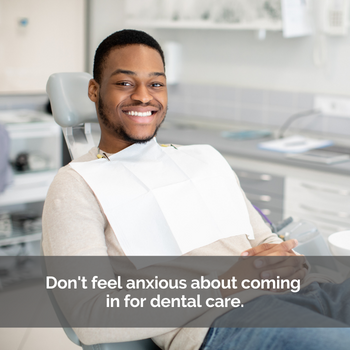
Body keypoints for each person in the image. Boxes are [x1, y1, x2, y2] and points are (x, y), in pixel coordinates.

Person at [42, 29, 350, 350]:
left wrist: (289, 260)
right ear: (94, 90)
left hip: (306, 292)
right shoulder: (77, 183)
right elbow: (90, 318)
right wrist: (227, 285)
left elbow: (267, 242)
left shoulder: (203, 158)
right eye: (125, 83)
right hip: (224, 321)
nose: (143, 96)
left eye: (156, 84)